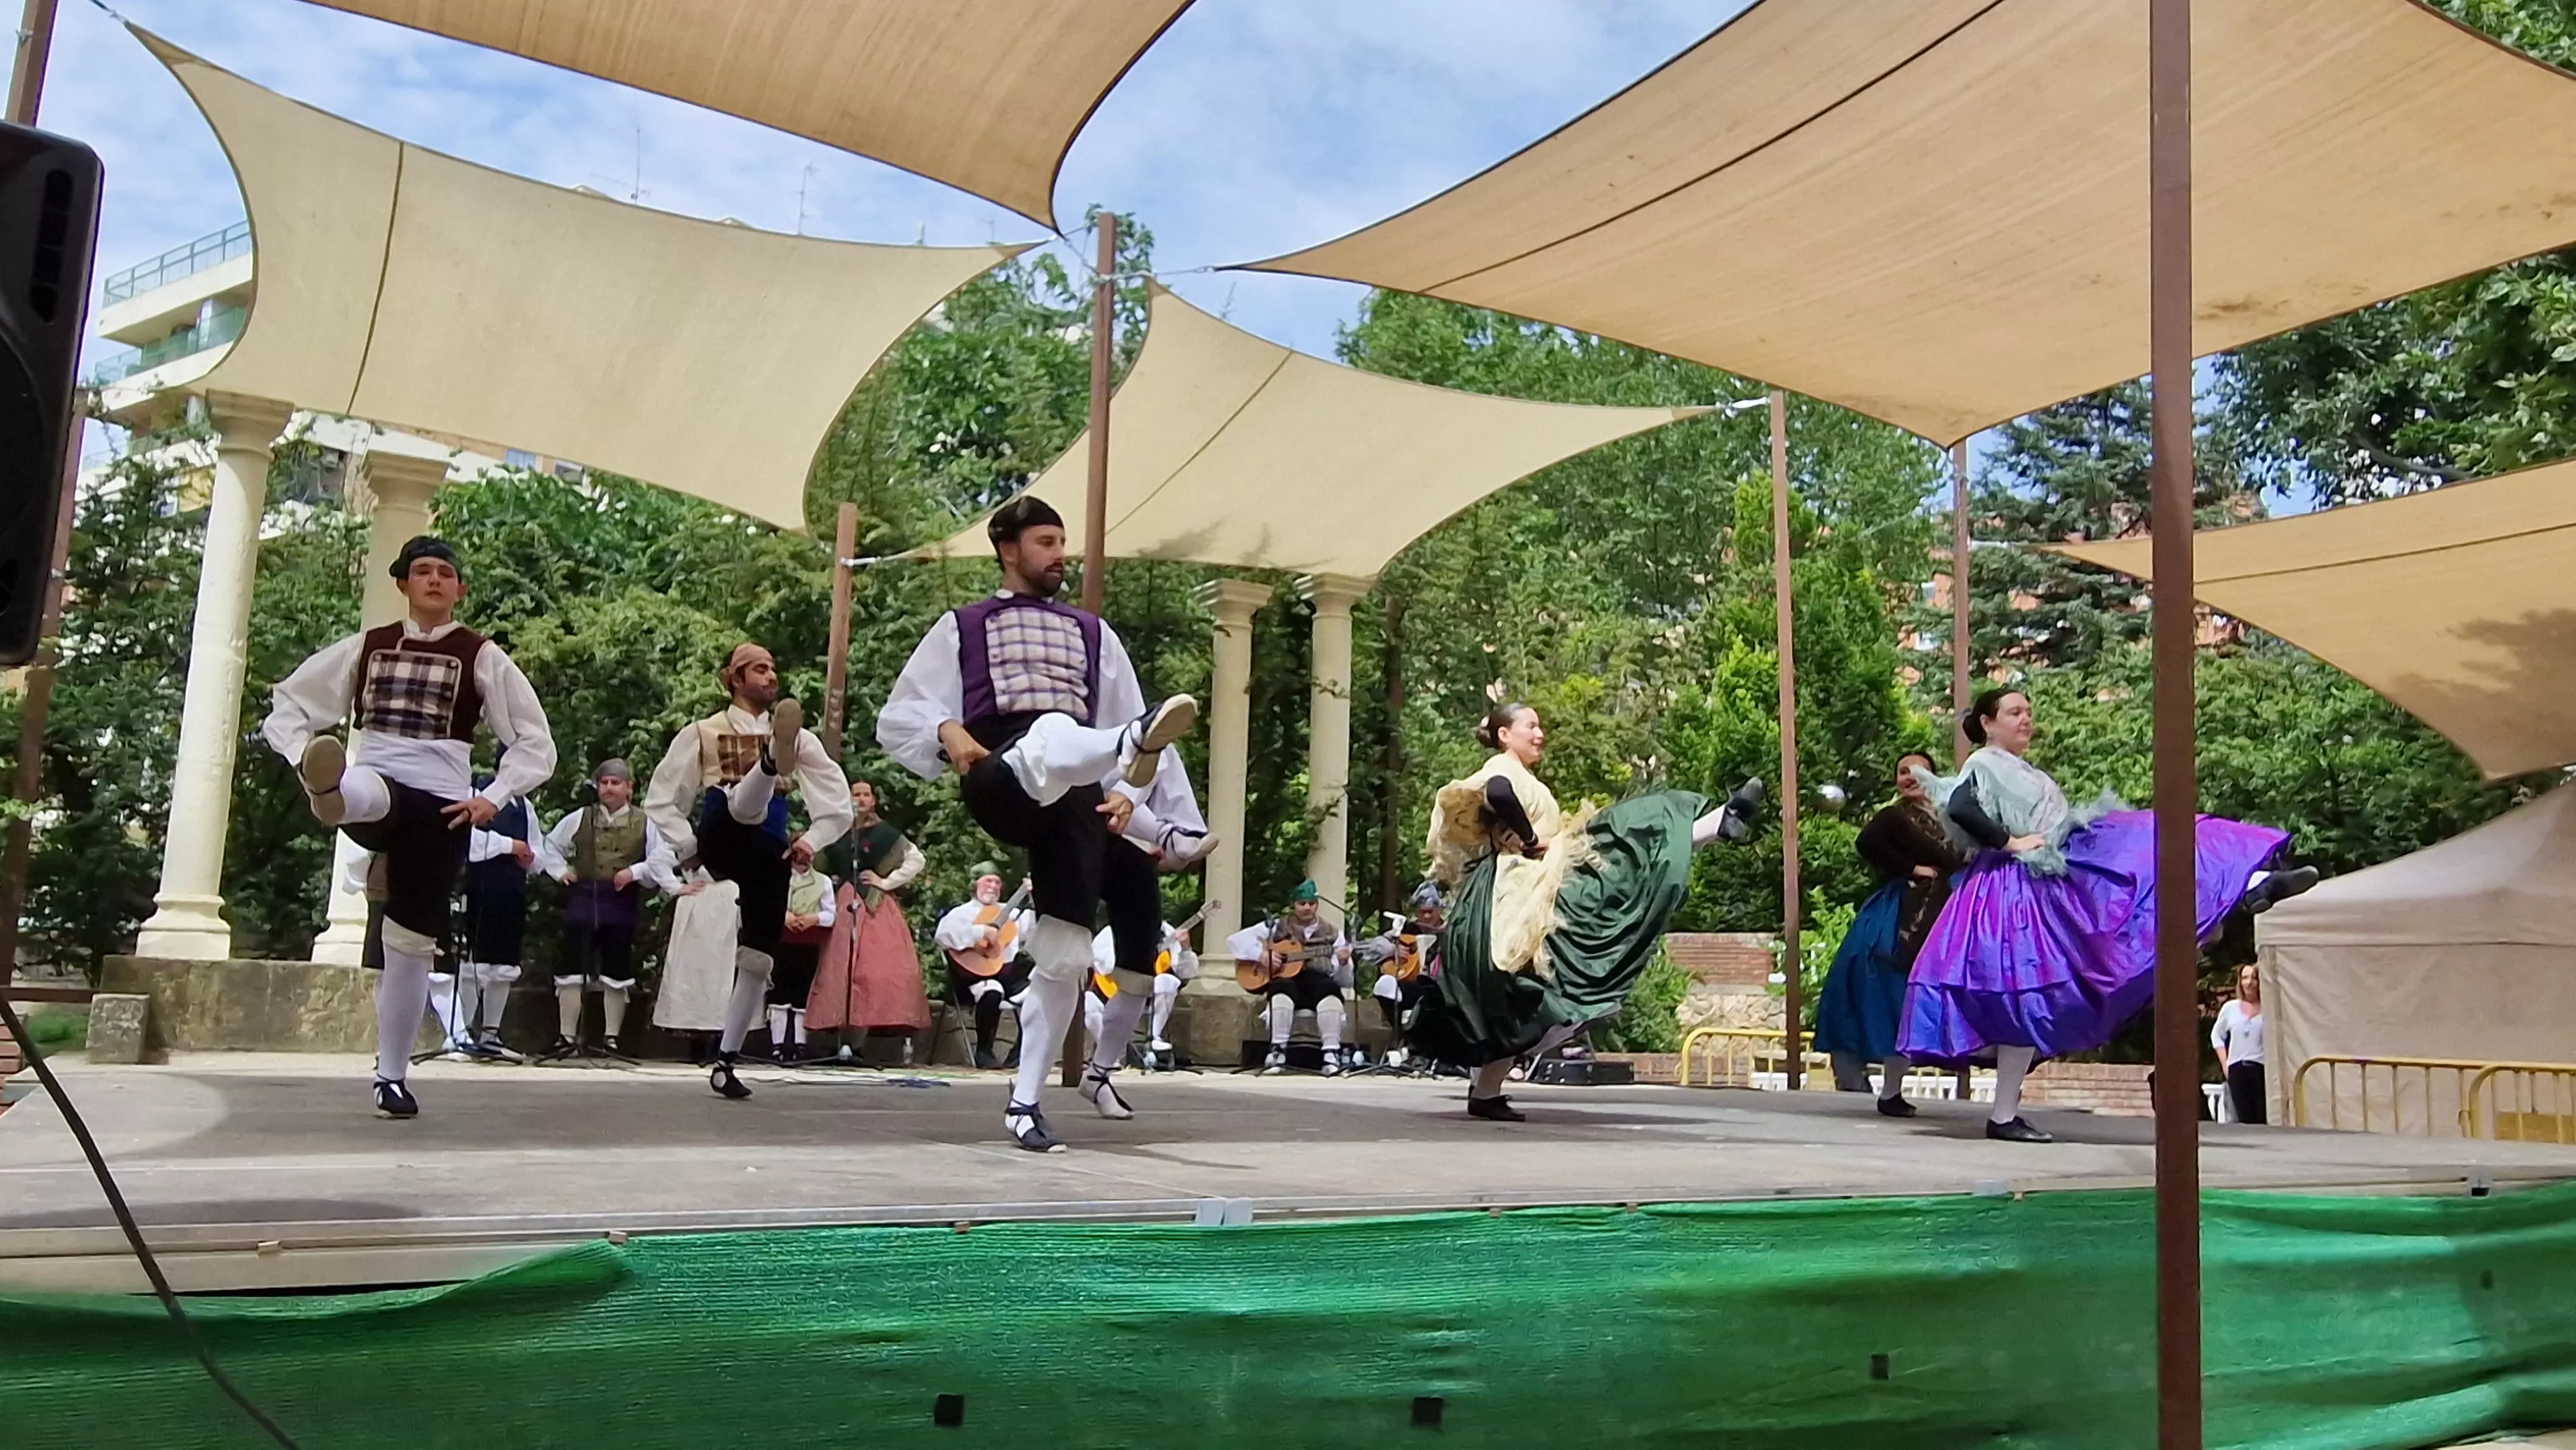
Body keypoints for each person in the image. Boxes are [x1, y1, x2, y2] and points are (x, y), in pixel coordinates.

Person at [878, 493, 1199, 1151]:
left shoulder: (1092, 634)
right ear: (1008, 549)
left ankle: (1024, 1103)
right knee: (1061, 730)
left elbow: (1139, 718)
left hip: (1076, 792)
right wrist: (948, 732)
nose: (1060, 554)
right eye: (1046, 542)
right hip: (999, 778)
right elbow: (898, 715)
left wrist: (1141, 807)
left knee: (1068, 944)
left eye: (1061, 542)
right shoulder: (961, 626)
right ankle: (1119, 750)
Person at [1899, 688, 2319, 1144]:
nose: (2026, 719)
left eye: (2029, 712)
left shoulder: (2025, 770)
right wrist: (2010, 843)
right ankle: (2002, 1116)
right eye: (2015, 712)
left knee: (2148, 849)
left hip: (2055, 870)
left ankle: (2247, 888)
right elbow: (1961, 806)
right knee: (2030, 992)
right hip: (2020, 887)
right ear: (1987, 723)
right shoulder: (1983, 763)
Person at [262, 535, 558, 1118]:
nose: (434, 581)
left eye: (445, 573)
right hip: (377, 780)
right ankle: (326, 786)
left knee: (411, 945)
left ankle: (390, 1076)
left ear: (459, 589)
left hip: (445, 806)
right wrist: (300, 751)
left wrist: (493, 797)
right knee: (368, 791)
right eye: (422, 571)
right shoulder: (367, 646)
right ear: (403, 584)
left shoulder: (482, 655)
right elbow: (291, 701)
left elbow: (534, 741)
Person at [1415, 702, 1761, 1122]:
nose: (1540, 733)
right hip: (1515, 891)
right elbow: (1499, 794)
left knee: (1528, 997)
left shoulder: (1522, 776)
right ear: (1505, 735)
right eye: (1531, 726)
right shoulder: (1500, 769)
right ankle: (1712, 825)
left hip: (1523, 889)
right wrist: (1527, 839)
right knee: (1614, 846)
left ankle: (1485, 1091)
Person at [644, 642, 853, 1100]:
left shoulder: (800, 738)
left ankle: (726, 1061)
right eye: (759, 669)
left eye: (774, 668)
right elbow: (662, 798)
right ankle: (767, 765)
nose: (771, 676)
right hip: (721, 832)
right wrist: (687, 844)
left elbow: (838, 805)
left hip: (766, 848)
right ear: (734, 679)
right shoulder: (702, 732)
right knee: (736, 805)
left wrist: (809, 843)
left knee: (759, 959)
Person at [1814, 752, 1964, 1116]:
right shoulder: (1894, 816)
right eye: (1903, 772)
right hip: (1901, 913)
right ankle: (1880, 1085)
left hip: (1950, 910)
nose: (1910, 777)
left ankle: (1893, 1089)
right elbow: (1867, 844)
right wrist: (1912, 868)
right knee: (1889, 992)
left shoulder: (1950, 814)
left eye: (1918, 771)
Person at [540, 757, 686, 1056]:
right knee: (571, 966)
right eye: (604, 783)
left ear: (629, 788)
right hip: (584, 896)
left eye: (615, 783)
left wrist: (634, 872)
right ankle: (567, 1038)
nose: (608, 788)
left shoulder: (646, 822)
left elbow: (662, 859)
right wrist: (560, 871)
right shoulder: (581, 817)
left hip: (620, 901)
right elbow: (550, 845)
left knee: (616, 968)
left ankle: (611, 1039)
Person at [804, 780, 933, 1059]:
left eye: (866, 795)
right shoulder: (837, 830)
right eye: (856, 794)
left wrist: (886, 882)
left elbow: (916, 860)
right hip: (842, 904)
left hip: (874, 904)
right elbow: (815, 863)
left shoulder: (885, 833)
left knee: (870, 971)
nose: (861, 800)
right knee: (839, 971)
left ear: (873, 801)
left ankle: (859, 1044)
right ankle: (838, 1043)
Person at [455, 762, 542, 1060]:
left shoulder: (523, 805)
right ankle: (461, 1033)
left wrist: (530, 858)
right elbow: (468, 842)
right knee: (473, 965)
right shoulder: (475, 792)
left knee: (503, 966)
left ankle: (491, 1033)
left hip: (512, 890)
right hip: (480, 887)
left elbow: (537, 846)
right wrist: (509, 845)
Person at [1251, 881, 1356, 1075]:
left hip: (1318, 981)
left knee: (1330, 991)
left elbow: (1346, 981)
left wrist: (1343, 963)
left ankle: (1331, 1054)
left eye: (1311, 903)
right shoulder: (1276, 927)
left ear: (1317, 904)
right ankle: (1277, 1052)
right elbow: (1237, 942)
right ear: (1294, 905)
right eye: (1302, 903)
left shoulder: (1333, 933)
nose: (1307, 907)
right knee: (1280, 989)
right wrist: (1263, 956)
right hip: (1288, 980)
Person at [936, 868, 1034, 1069]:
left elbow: (1034, 930)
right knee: (992, 989)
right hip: (972, 978)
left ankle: (1022, 1051)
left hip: (1008, 975)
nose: (994, 887)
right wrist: (980, 931)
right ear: (975, 884)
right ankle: (984, 1050)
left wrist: (1034, 899)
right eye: (988, 881)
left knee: (1038, 993)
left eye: (998, 883)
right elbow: (942, 936)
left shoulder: (1011, 913)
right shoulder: (961, 913)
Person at [1354, 881, 1446, 1069]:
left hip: (1440, 986)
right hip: (1409, 983)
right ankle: (1404, 1037)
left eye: (1431, 911)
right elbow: (1373, 946)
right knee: (1384, 985)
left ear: (1439, 909)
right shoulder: (1406, 930)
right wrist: (1393, 950)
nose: (1427, 916)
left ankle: (1429, 1051)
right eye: (1422, 912)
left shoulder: (1449, 930)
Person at [1084, 918, 1200, 1065]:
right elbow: (1101, 965)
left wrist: (1185, 949)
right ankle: (1111, 1054)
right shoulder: (1109, 933)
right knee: (1089, 1002)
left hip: (1148, 993)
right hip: (1114, 991)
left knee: (1168, 981)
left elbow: (1186, 973)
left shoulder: (1166, 932)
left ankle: (1154, 1037)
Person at [768, 848, 837, 1062]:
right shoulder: (778, 877)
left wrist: (813, 918)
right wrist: (784, 915)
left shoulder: (823, 881)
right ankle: (777, 1044)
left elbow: (830, 913)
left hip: (808, 943)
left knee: (802, 994)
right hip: (781, 941)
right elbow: (767, 904)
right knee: (779, 992)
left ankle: (800, 1044)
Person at [2212, 963, 2268, 1125]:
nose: (2249, 983)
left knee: (2260, 1117)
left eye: (2253, 978)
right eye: (2245, 978)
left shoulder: (2268, 1010)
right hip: (2237, 1068)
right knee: (2243, 1118)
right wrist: (2225, 1063)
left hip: (2260, 1068)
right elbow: (2217, 1035)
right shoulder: (2231, 1008)